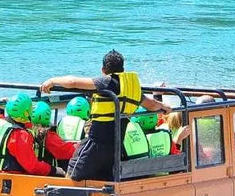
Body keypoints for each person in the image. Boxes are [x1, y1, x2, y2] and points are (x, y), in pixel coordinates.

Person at [40, 50, 171, 181]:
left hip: (95, 143)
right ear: (123, 69)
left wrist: (52, 81)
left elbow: (72, 82)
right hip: (115, 148)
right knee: (104, 182)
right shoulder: (133, 88)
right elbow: (152, 105)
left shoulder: (106, 82)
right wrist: (164, 107)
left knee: (72, 175)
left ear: (103, 70)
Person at [0, 94, 57, 176]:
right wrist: (53, 170)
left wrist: (0, 109)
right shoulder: (21, 135)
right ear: (26, 112)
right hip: (13, 177)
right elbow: (32, 167)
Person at [29, 101, 78, 172]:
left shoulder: (24, 131)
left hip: (25, 172)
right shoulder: (49, 136)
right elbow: (63, 151)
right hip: (43, 174)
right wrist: (80, 146)